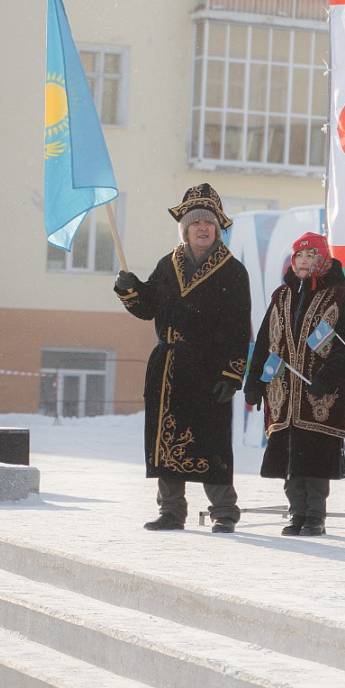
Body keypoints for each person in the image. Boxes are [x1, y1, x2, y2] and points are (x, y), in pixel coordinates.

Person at [114, 183, 251, 533]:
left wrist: (232, 374)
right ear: (185, 228)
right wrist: (130, 289)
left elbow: (239, 327)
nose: (202, 228)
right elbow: (149, 308)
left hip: (209, 371)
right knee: (166, 442)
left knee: (211, 442)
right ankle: (171, 511)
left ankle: (224, 512)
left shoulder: (233, 271)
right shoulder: (168, 264)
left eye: (208, 223)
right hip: (169, 367)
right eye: (195, 223)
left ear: (217, 229)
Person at [242, 232, 345, 537]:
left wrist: (326, 380)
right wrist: (254, 382)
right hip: (283, 391)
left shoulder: (339, 297)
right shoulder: (281, 296)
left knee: (315, 456)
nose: (304, 262)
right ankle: (296, 513)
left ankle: (315, 516)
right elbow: (265, 342)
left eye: (310, 256)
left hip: (320, 394)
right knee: (289, 456)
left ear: (323, 260)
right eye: (299, 257)